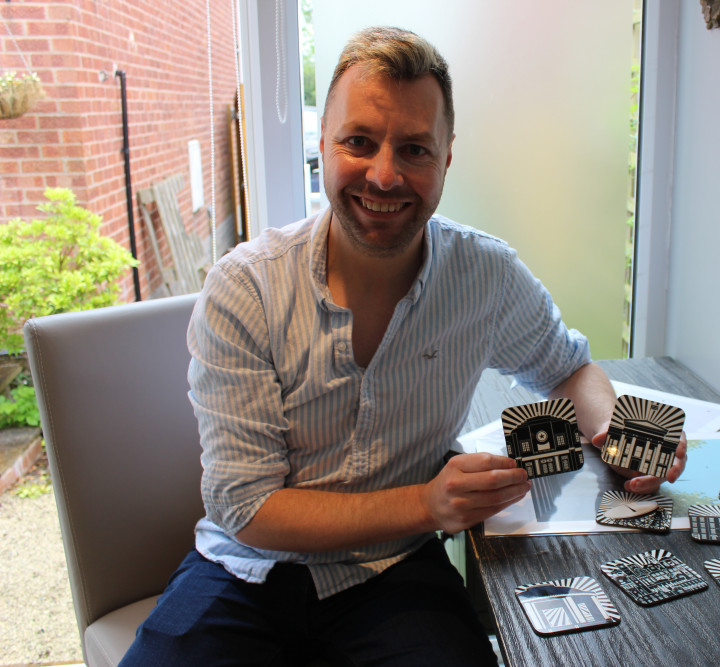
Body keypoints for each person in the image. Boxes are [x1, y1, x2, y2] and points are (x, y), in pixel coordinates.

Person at [122, 25, 686, 666]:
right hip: (245, 573)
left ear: (446, 158)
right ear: (323, 146)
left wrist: (624, 435)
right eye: (359, 142)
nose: (384, 175)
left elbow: (570, 367)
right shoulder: (245, 287)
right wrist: (426, 502)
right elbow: (246, 506)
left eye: (414, 149)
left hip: (394, 578)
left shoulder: (486, 277)